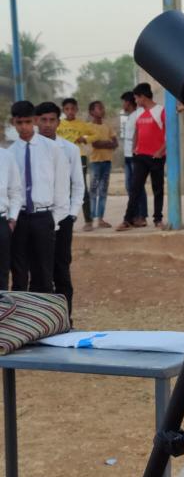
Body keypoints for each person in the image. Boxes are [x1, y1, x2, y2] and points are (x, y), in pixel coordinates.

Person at [9, 100, 70, 293]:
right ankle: (20, 320)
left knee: (43, 273)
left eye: (28, 122)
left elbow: (61, 187)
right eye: (20, 123)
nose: (24, 127)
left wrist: (54, 219)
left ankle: (43, 320)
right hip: (19, 217)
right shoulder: (10, 153)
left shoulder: (52, 149)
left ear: (34, 120)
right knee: (19, 273)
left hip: (44, 217)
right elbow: (10, 189)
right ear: (13, 123)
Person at [35, 101, 85, 320]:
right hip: (35, 218)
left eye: (51, 120)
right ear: (36, 121)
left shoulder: (70, 149)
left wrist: (72, 214)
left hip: (62, 218)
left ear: (58, 122)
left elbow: (78, 184)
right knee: (36, 270)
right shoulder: (29, 150)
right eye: (43, 120)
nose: (47, 125)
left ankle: (65, 320)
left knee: (61, 270)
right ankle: (39, 321)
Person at [116, 83, 166, 231]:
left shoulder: (160, 111)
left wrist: (160, 150)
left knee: (158, 189)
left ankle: (158, 219)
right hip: (140, 156)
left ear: (143, 97)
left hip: (157, 156)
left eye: (136, 98)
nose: (135, 101)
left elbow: (169, 133)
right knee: (135, 188)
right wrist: (134, 149)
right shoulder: (138, 113)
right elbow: (137, 131)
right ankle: (127, 220)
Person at [58, 97, 96, 231]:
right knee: (64, 189)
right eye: (67, 109)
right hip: (62, 159)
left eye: (72, 109)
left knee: (82, 188)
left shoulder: (81, 124)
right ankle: (66, 220)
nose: (70, 111)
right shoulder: (59, 124)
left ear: (77, 110)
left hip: (80, 158)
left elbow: (94, 135)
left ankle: (88, 221)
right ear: (63, 110)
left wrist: (84, 139)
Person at [87, 100, 118, 229]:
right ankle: (91, 218)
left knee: (103, 191)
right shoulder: (88, 127)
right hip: (95, 162)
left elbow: (115, 143)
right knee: (93, 191)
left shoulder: (107, 126)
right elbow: (95, 144)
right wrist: (107, 143)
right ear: (92, 112)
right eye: (99, 108)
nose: (102, 110)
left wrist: (103, 143)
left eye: (103, 108)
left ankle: (100, 219)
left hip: (107, 162)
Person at [120, 91, 148, 226]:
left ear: (128, 102)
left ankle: (142, 215)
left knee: (138, 187)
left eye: (123, 102)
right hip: (127, 156)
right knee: (129, 186)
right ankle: (135, 214)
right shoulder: (130, 116)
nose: (122, 105)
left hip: (135, 155)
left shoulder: (139, 114)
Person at [0, 146, 23, 290]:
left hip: (1, 222)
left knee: (1, 274)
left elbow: (15, 191)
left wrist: (12, 219)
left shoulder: (6, 156)